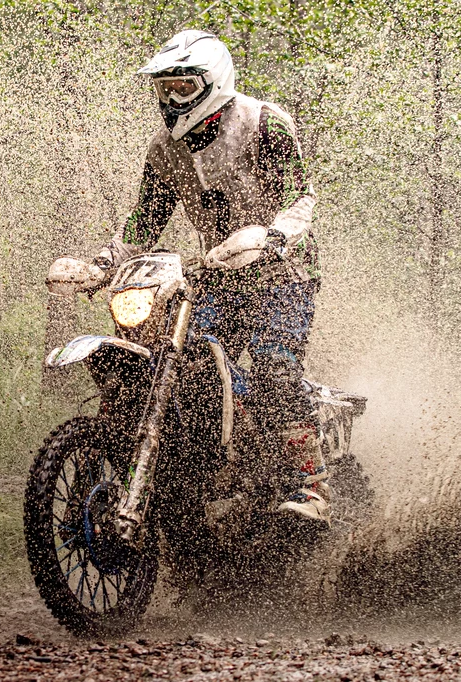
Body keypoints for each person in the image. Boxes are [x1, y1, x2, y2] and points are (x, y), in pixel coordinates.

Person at [94, 29, 329, 524]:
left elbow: (300, 198)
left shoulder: (265, 122)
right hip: (217, 274)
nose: (171, 99)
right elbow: (143, 223)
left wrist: (274, 236)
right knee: (180, 363)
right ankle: (204, 470)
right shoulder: (163, 149)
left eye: (181, 88)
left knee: (273, 365)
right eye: (164, 90)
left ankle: (311, 488)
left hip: (284, 271)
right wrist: (102, 262)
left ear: (212, 84)